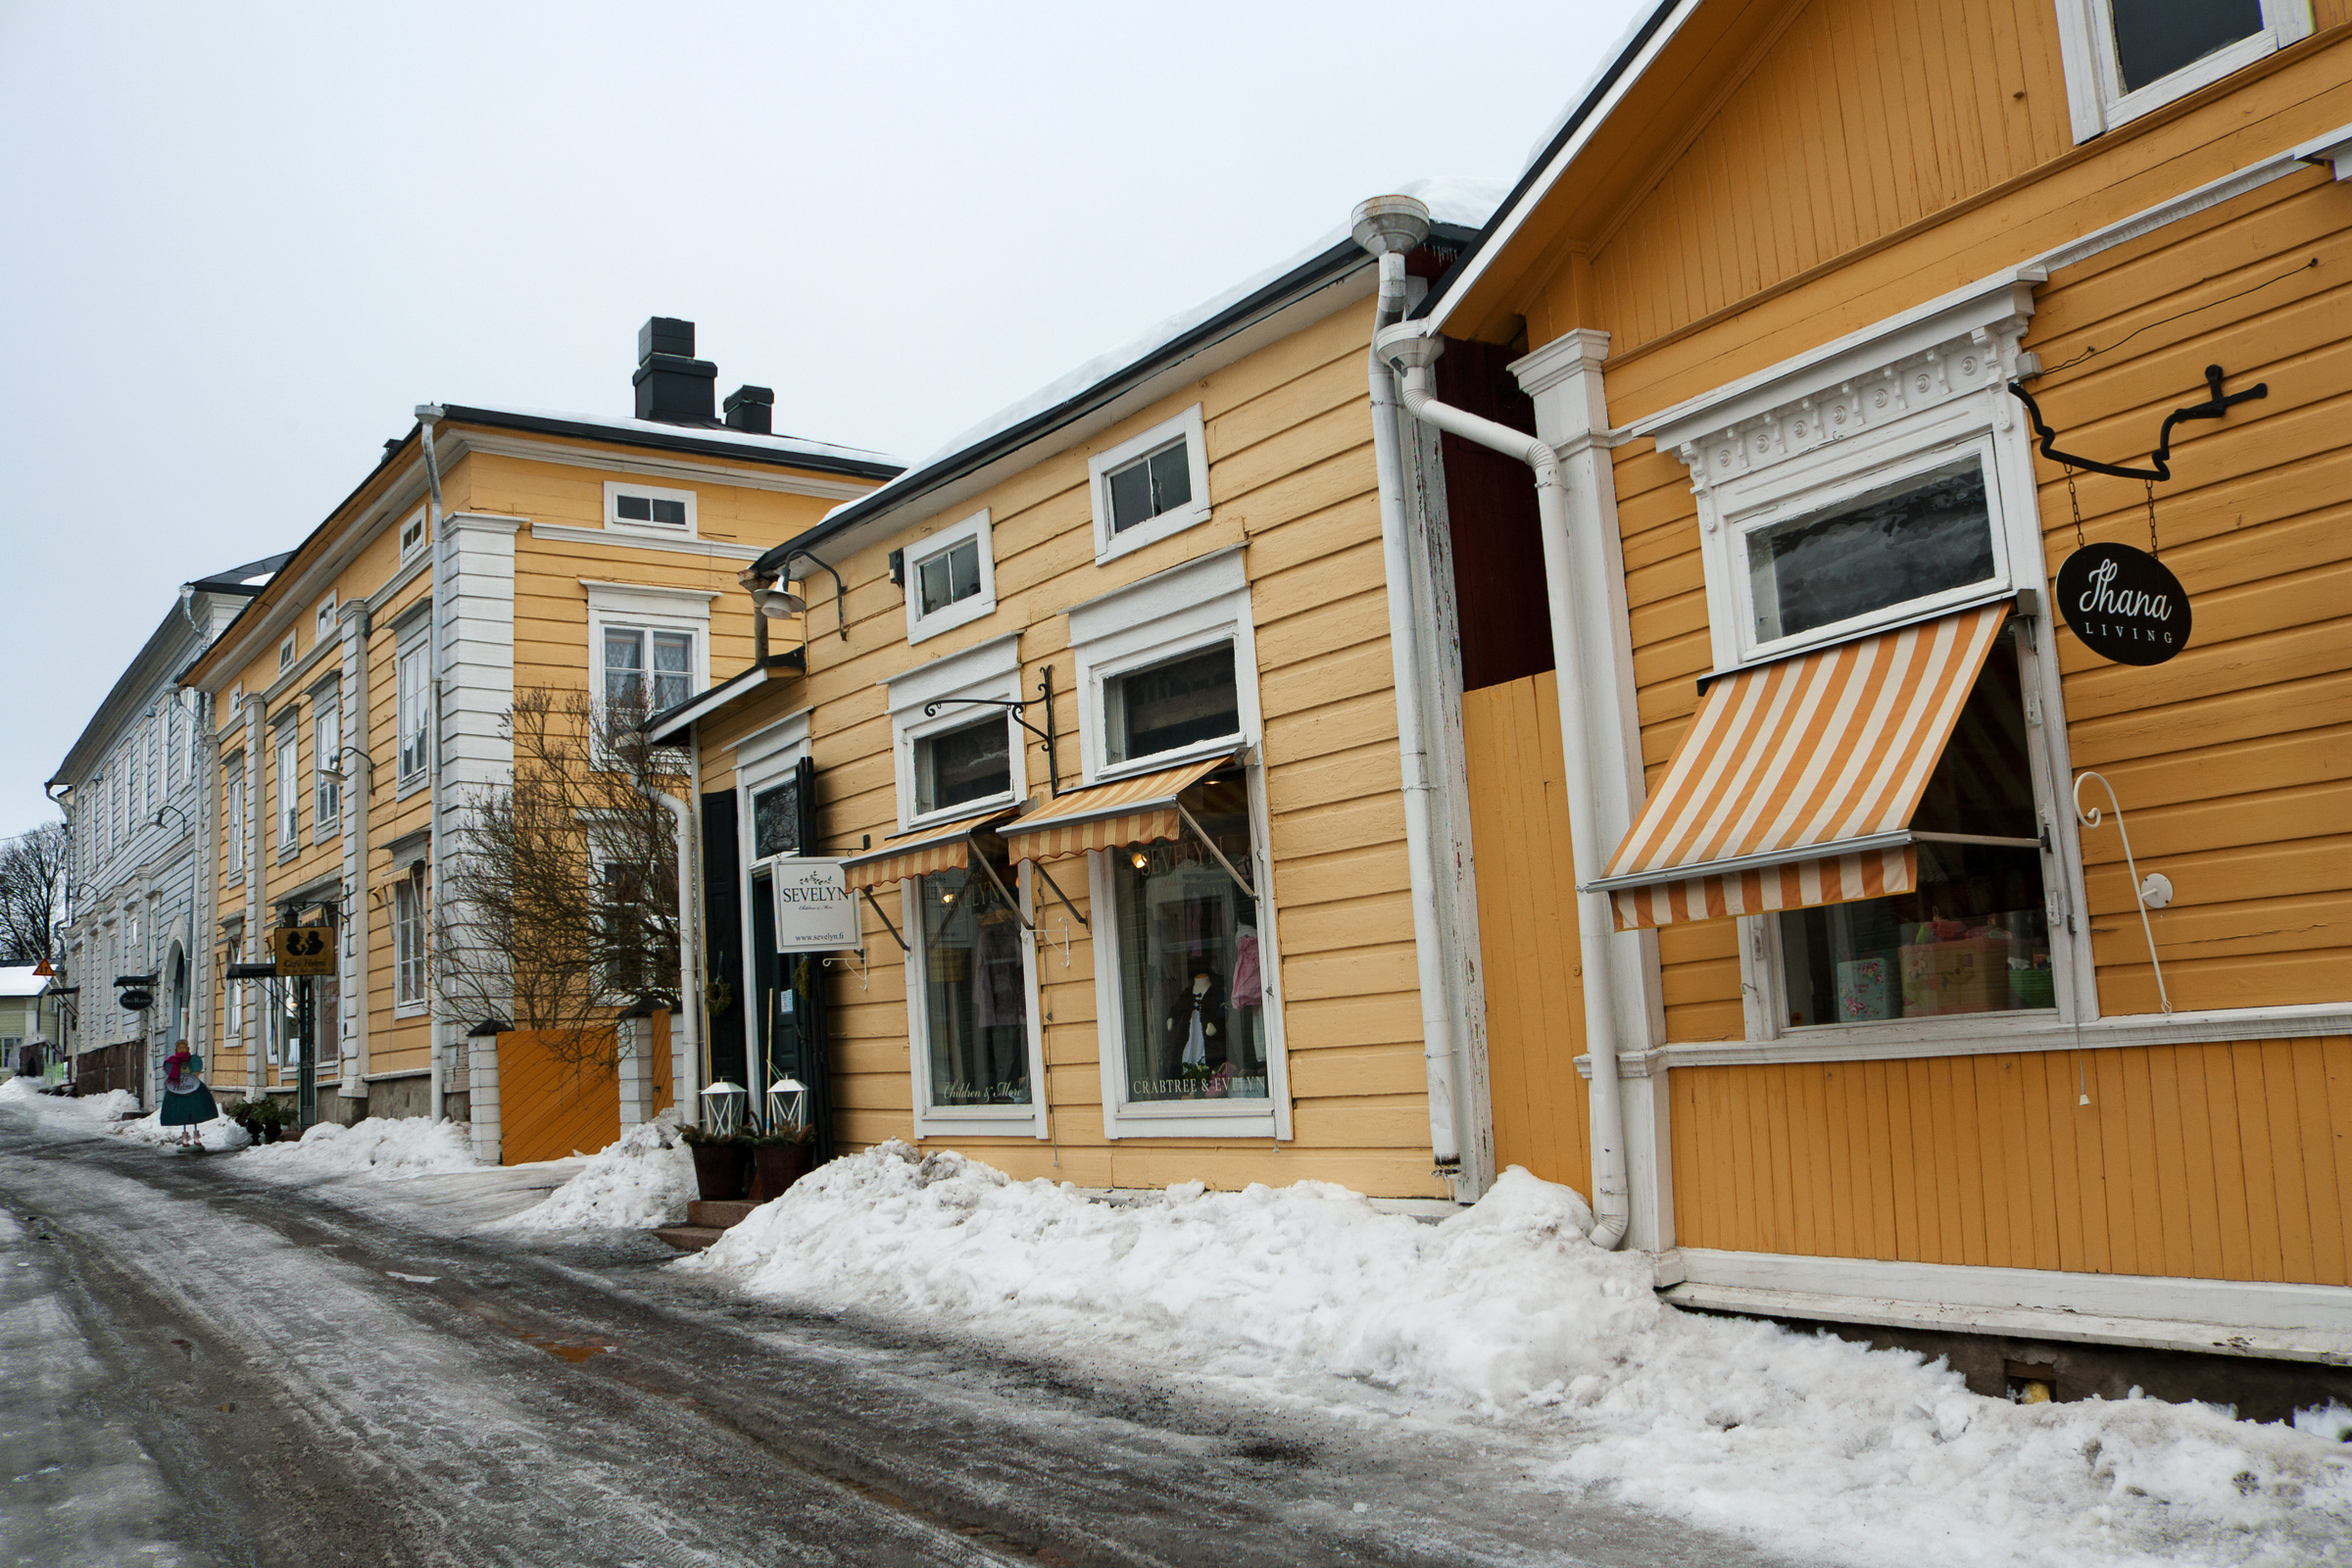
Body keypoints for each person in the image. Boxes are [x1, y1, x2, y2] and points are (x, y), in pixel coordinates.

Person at [159, 1042, 218, 1149]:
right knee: (182, 1113)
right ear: (176, 1050)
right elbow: (170, 1073)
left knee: (195, 1111)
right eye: (180, 1048)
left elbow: (196, 1070)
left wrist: (195, 1073)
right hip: (178, 1090)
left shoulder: (193, 1060)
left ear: (187, 1048)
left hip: (193, 1089)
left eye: (184, 1047)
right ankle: (184, 1137)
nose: (182, 1049)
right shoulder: (172, 1061)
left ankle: (196, 1136)